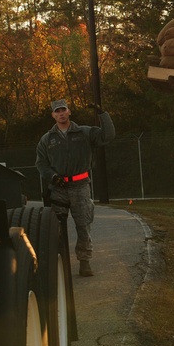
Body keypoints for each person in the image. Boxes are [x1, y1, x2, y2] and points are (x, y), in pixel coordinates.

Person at [36, 98, 115, 277]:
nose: (61, 113)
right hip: (58, 188)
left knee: (83, 225)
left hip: (80, 187)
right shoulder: (47, 140)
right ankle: (59, 263)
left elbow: (107, 136)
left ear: (69, 111)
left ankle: (84, 262)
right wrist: (53, 177)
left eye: (63, 109)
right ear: (53, 115)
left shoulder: (84, 133)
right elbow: (41, 163)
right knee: (56, 229)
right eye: (57, 111)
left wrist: (103, 114)